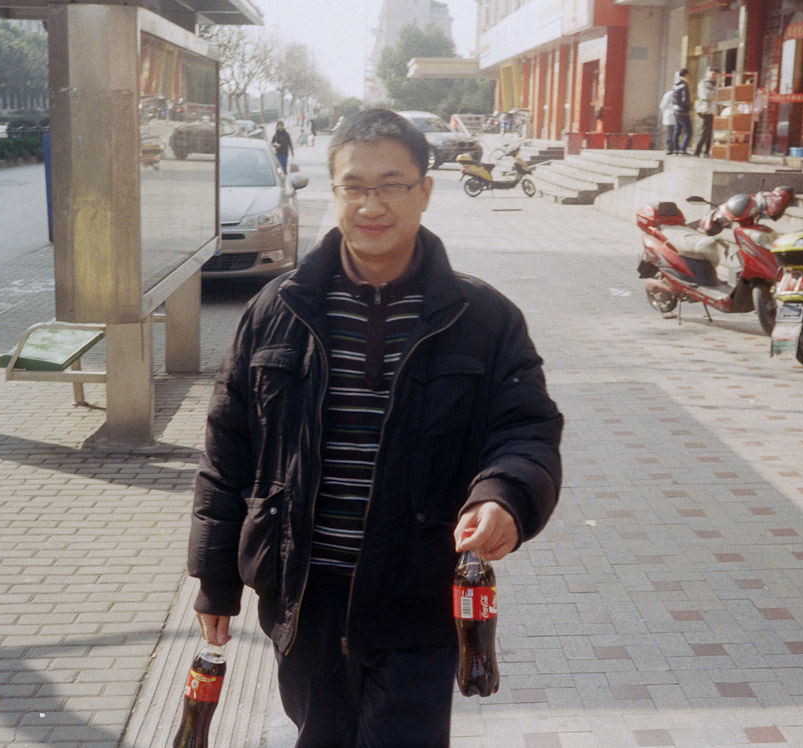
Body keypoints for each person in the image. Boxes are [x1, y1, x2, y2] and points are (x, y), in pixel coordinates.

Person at [186, 108, 564, 748]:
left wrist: (504, 495)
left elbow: (526, 428)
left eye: (391, 184)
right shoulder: (276, 310)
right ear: (332, 192)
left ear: (425, 190)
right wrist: (216, 581)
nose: (372, 204)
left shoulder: (483, 317)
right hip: (303, 596)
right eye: (355, 186)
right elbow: (228, 453)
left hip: (416, 596)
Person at [693, 68, 719, 158]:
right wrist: (717, 93)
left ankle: (707, 151)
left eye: (715, 74)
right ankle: (697, 151)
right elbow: (705, 95)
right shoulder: (703, 83)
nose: (714, 76)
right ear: (708, 74)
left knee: (710, 132)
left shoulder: (717, 84)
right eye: (712, 74)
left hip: (712, 111)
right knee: (704, 132)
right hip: (704, 110)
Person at [671, 68, 693, 155]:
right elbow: (685, 98)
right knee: (688, 132)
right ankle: (682, 149)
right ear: (686, 75)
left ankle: (676, 148)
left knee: (677, 131)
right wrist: (687, 107)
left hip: (676, 110)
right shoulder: (684, 84)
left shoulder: (675, 84)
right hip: (683, 111)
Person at [659, 88, 676, 155]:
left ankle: (674, 147)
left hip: (677, 117)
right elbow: (662, 106)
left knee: (675, 134)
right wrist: (665, 114)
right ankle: (668, 148)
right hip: (670, 117)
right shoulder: (669, 94)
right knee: (670, 133)